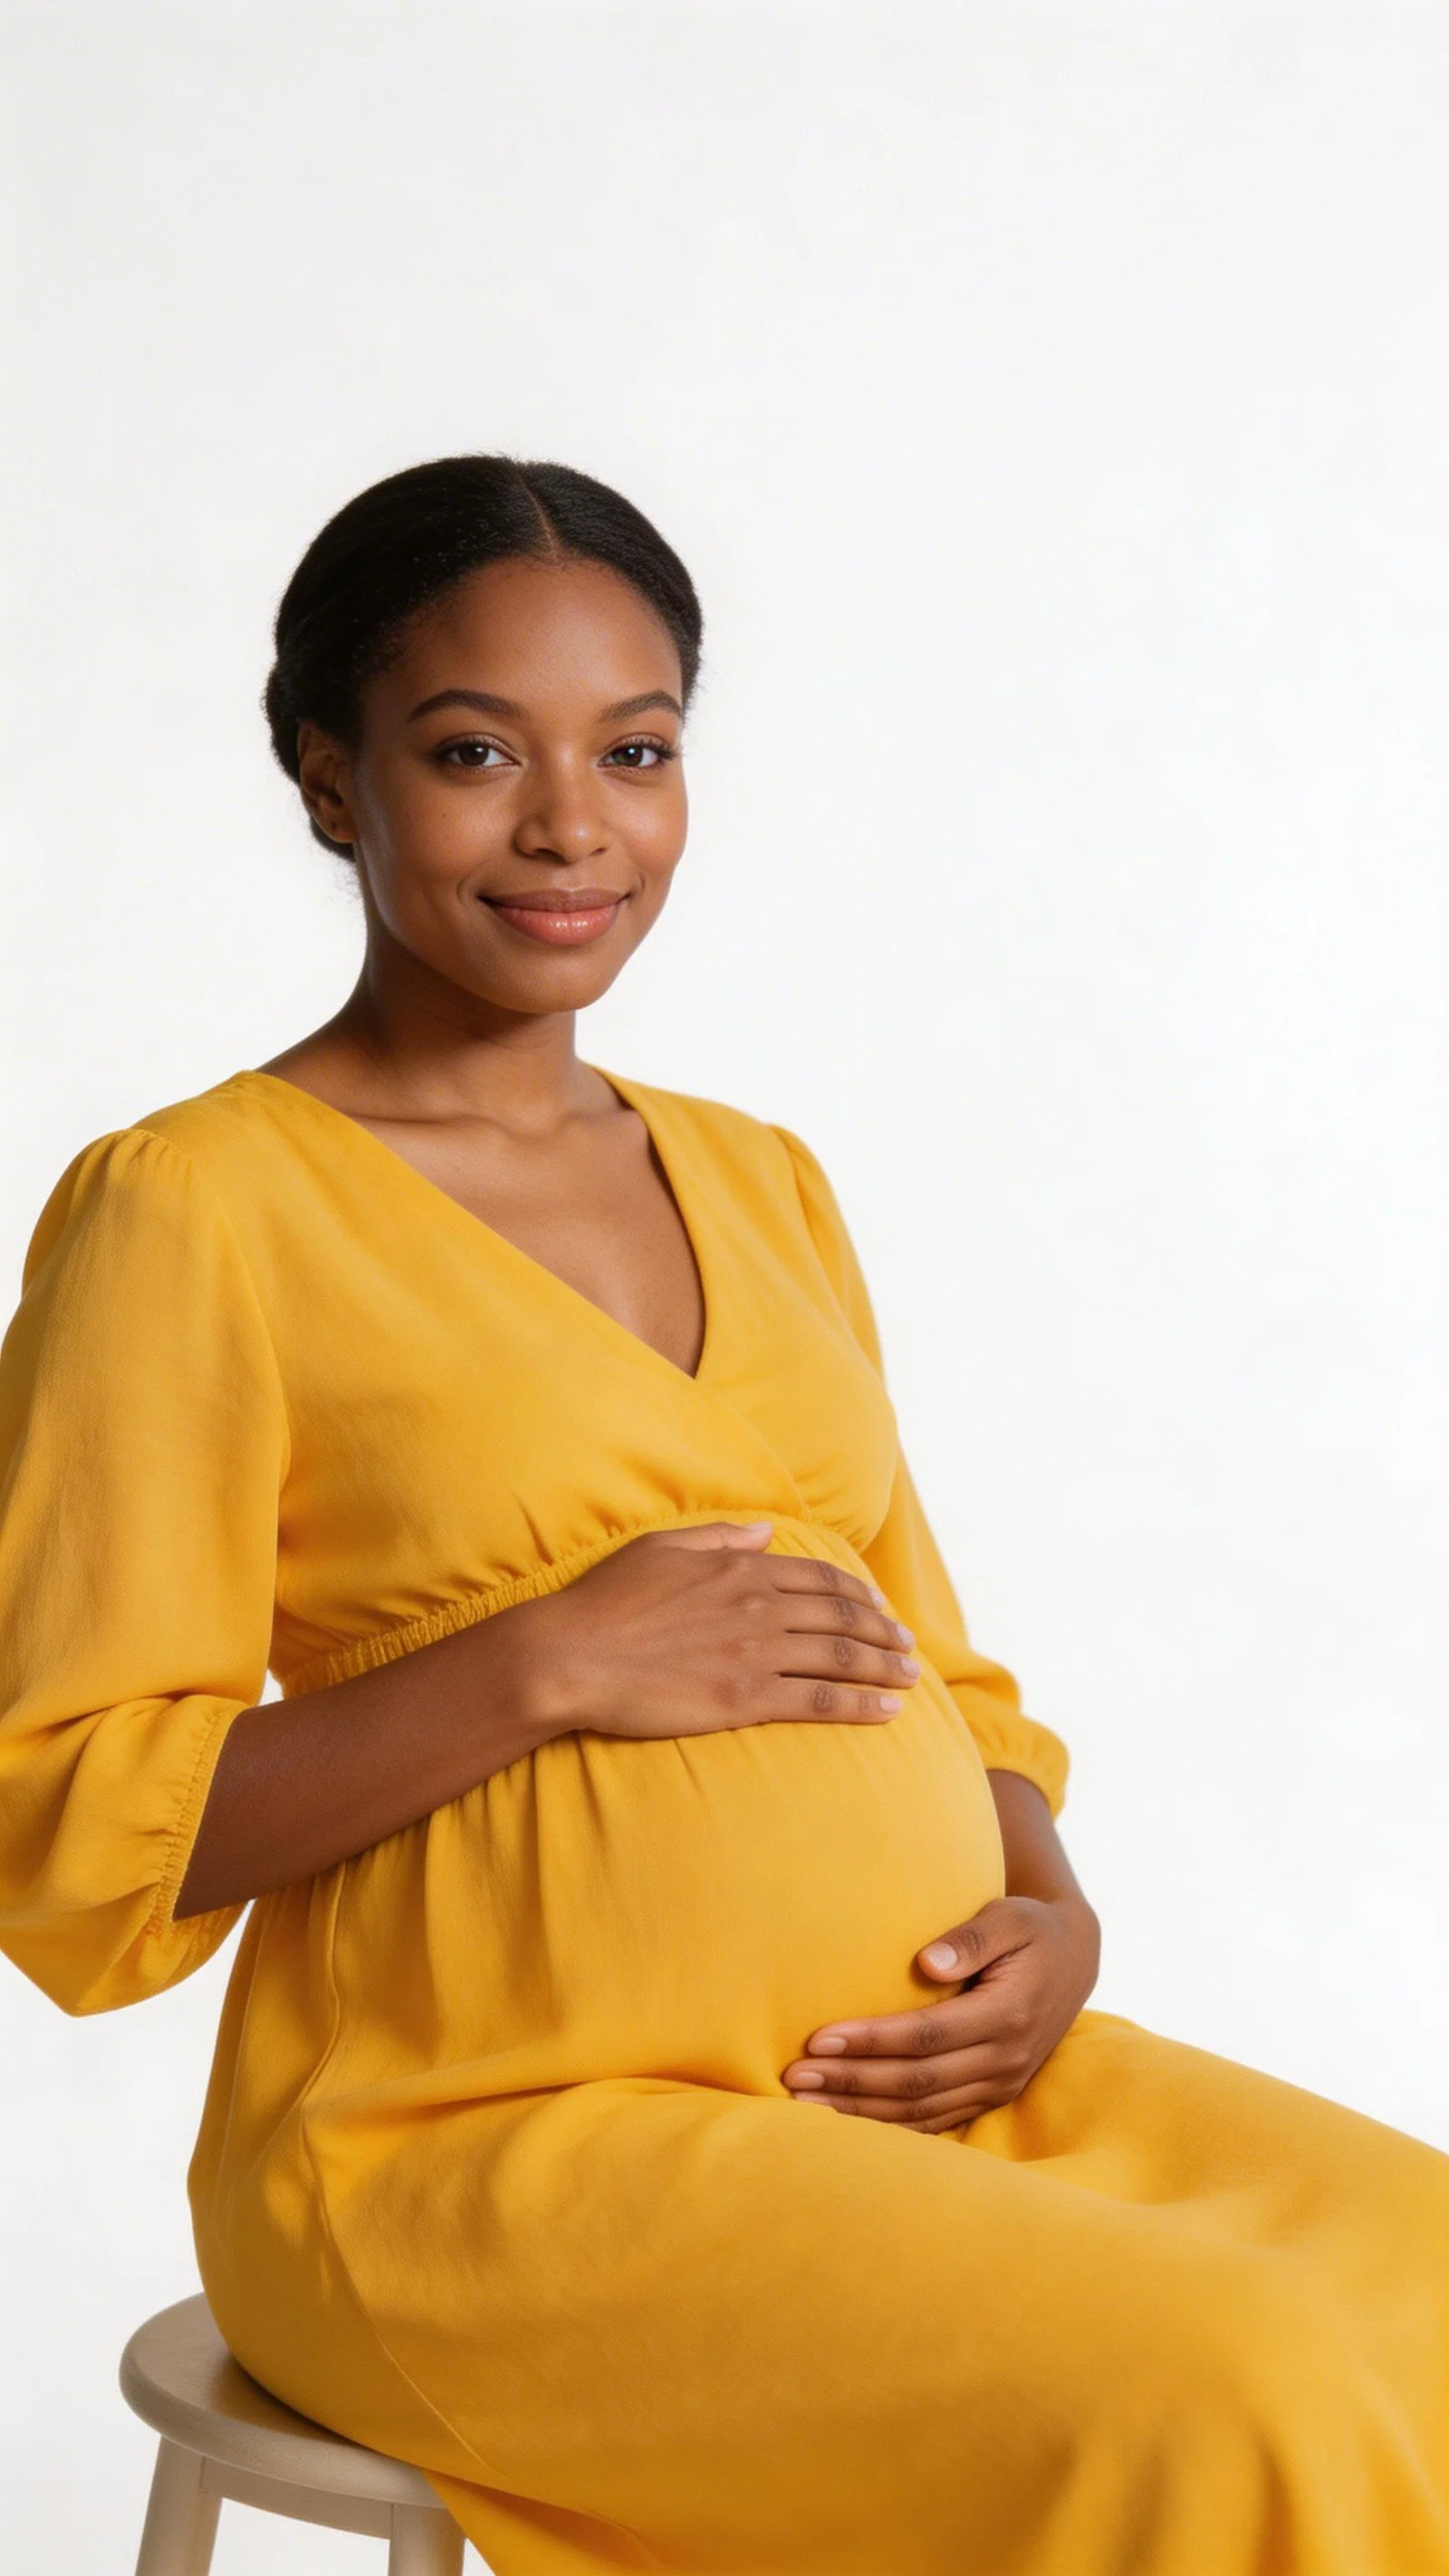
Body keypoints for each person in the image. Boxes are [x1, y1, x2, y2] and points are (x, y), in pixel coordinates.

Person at [0, 456, 1444, 2576]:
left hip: (904, 2086)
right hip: (478, 2147)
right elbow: (65, 1825)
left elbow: (938, 1667)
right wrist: (541, 1662)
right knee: (1234, 2381)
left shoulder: (758, 1177)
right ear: (329, 782)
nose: (572, 825)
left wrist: (1046, 1920)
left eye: (636, 751)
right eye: (474, 751)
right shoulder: (193, 1210)